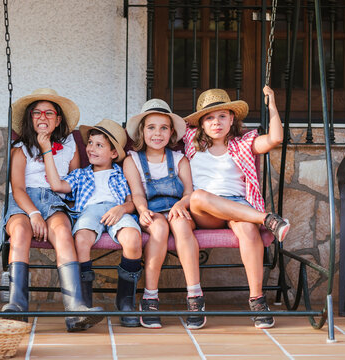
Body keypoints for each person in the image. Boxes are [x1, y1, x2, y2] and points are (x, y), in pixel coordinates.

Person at [0, 88, 103, 332]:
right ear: (30, 118)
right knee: (19, 232)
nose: (43, 116)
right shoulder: (20, 147)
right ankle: (17, 306)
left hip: (55, 201)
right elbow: (18, 188)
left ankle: (75, 310)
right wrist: (34, 214)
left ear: (58, 119)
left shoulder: (69, 145)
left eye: (49, 112)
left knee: (63, 231)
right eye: (37, 112)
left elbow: (72, 181)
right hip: (24, 203)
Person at [184, 86, 291, 329]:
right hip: (205, 211)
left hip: (238, 205)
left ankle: (257, 300)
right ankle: (267, 219)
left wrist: (272, 105)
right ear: (200, 124)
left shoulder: (243, 144)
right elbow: (160, 128)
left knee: (248, 231)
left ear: (232, 119)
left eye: (222, 116)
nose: (216, 122)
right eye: (209, 118)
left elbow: (275, 138)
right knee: (198, 196)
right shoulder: (191, 141)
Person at [44, 118, 144, 327]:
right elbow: (57, 185)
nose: (91, 148)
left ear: (114, 153)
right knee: (81, 240)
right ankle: (84, 304)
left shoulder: (122, 172)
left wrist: (121, 209)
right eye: (90, 143)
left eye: (99, 145)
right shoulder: (80, 175)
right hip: (89, 211)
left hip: (116, 209)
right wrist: (47, 152)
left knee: (133, 239)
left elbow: (132, 202)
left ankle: (125, 302)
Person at [123, 99, 206, 330]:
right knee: (159, 228)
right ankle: (150, 297)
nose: (157, 133)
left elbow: (190, 191)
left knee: (180, 225)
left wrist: (181, 203)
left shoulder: (179, 159)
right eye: (151, 127)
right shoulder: (132, 160)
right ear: (142, 131)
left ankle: (194, 296)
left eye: (163, 128)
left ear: (171, 134)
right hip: (151, 210)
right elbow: (137, 194)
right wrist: (142, 211)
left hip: (178, 207)